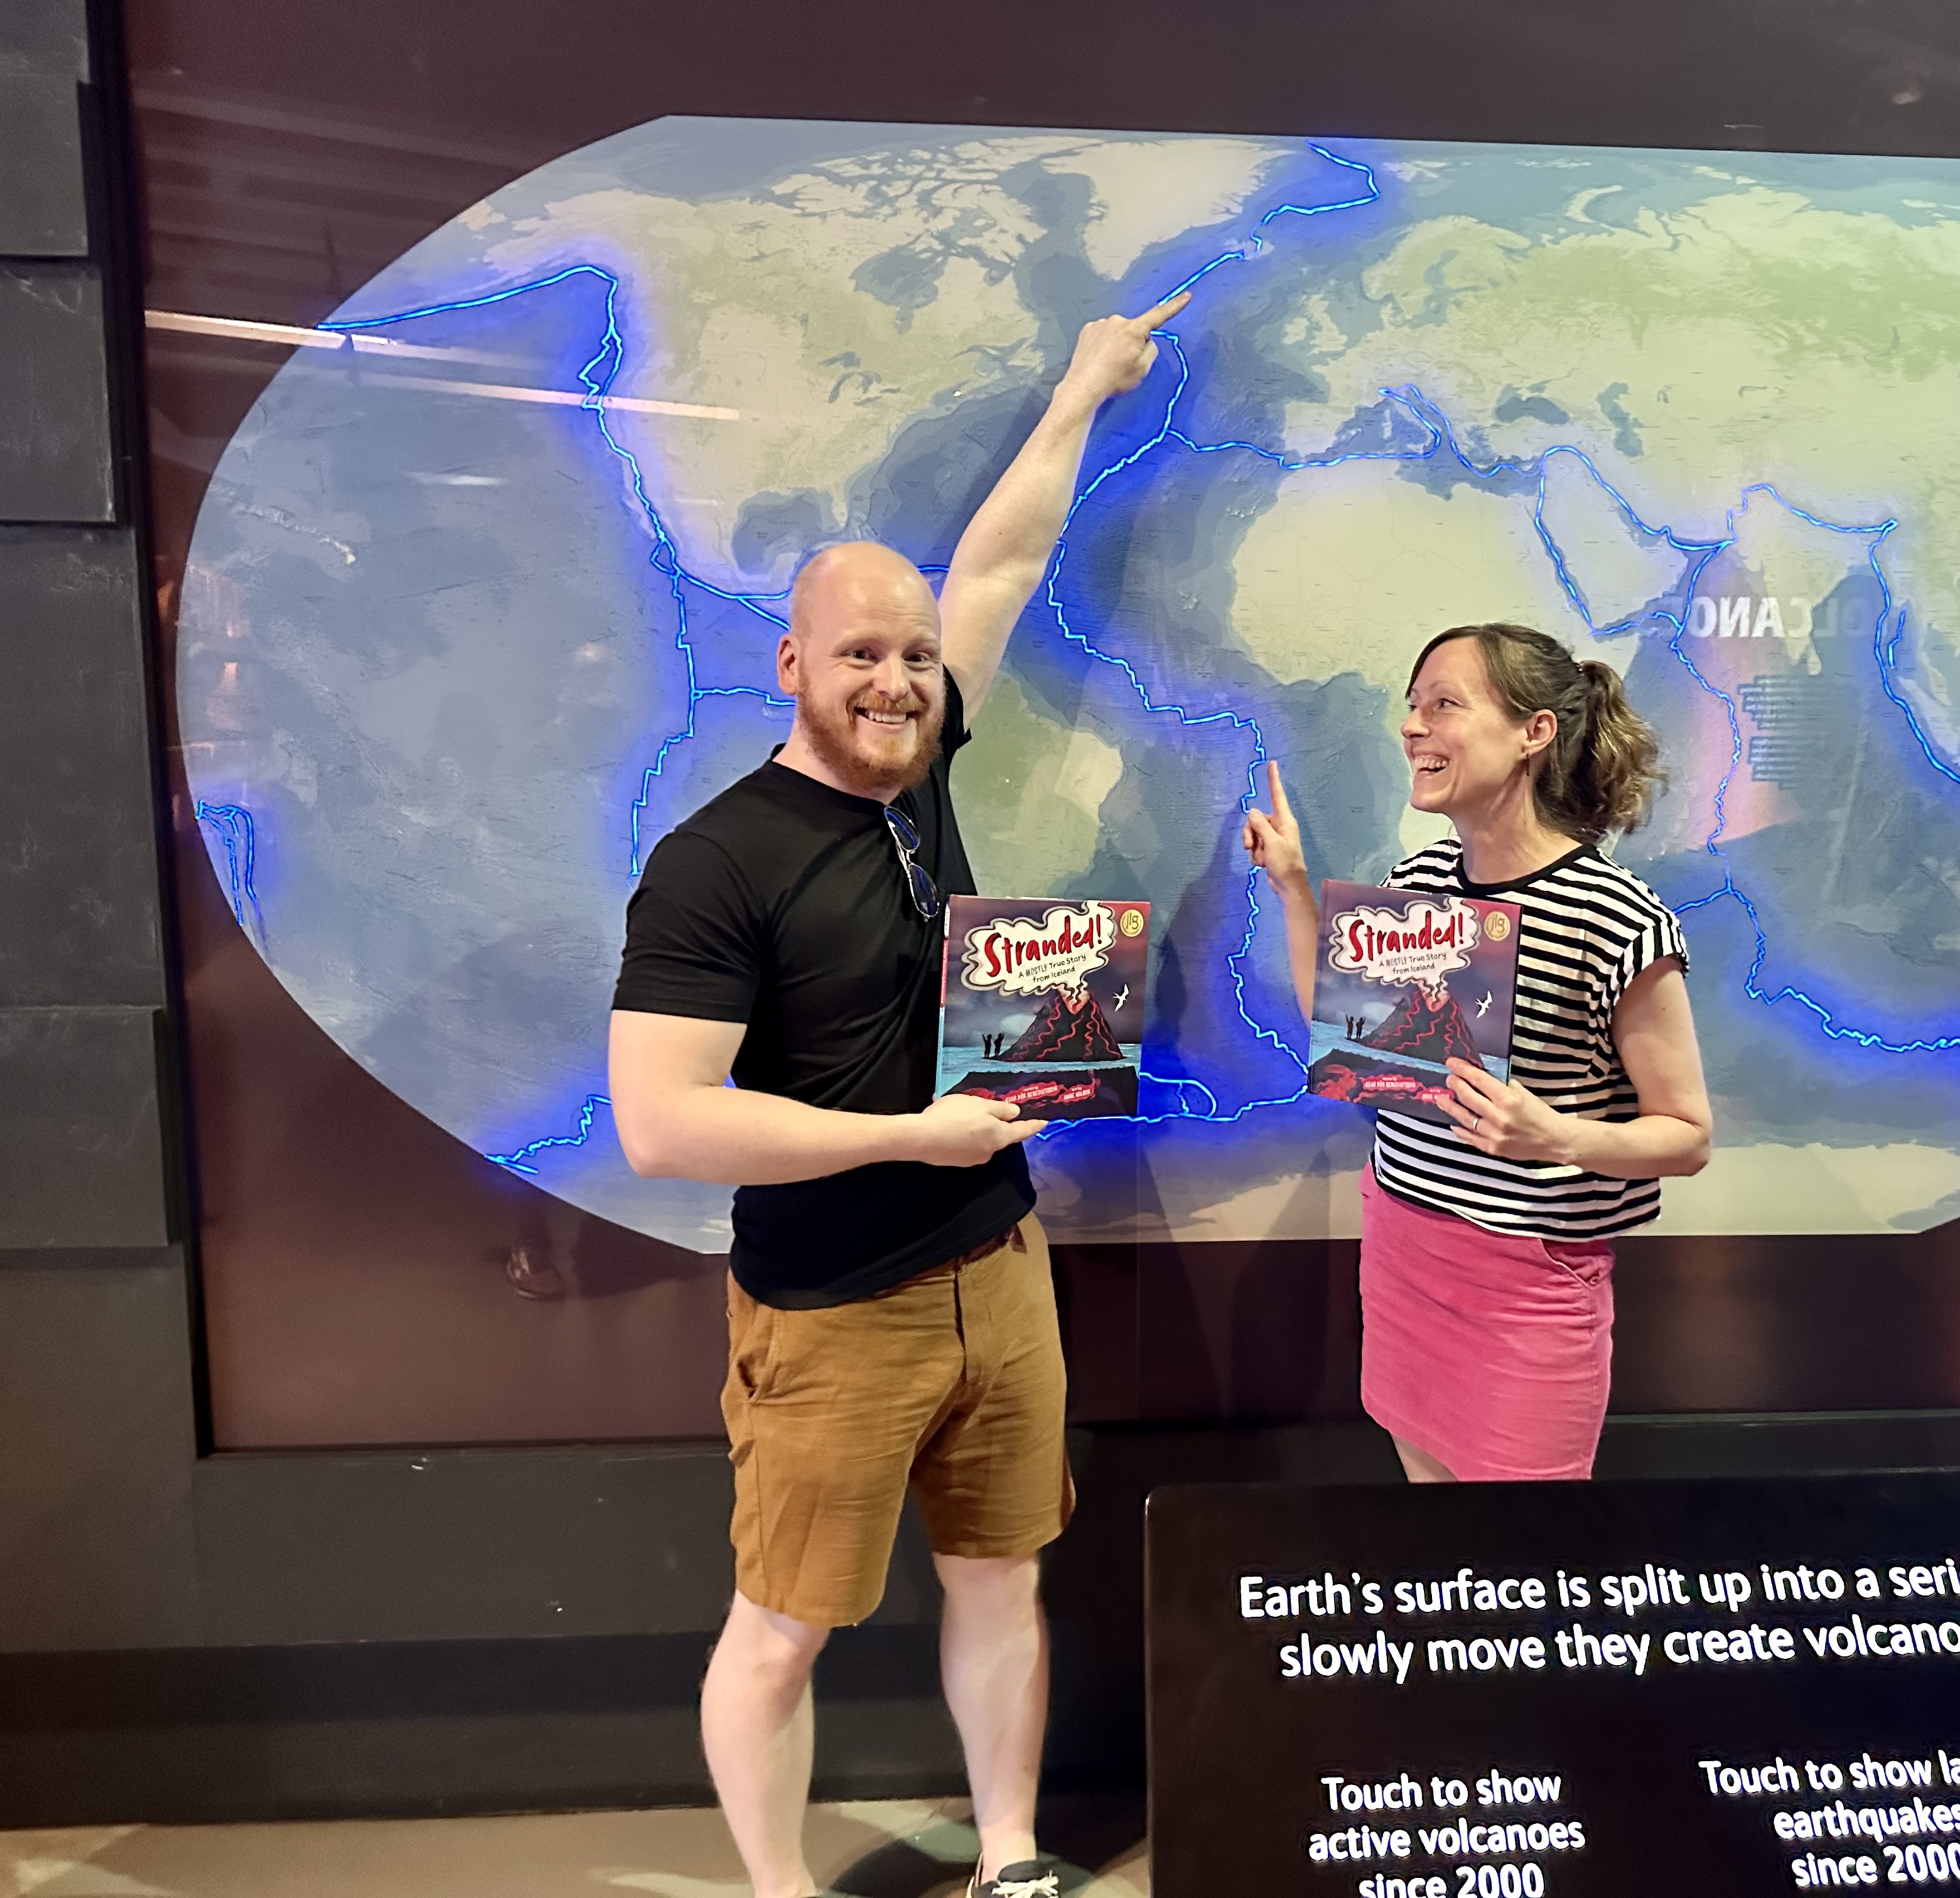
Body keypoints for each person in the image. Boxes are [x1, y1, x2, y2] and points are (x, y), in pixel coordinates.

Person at [608, 289, 1187, 1898]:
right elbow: (663, 1121)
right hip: (831, 1311)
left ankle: (1009, 1861)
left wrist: (1081, 390)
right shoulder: (714, 864)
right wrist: (910, 1135)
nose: (899, 679)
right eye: (862, 654)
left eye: (916, 658)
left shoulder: (920, 779)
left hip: (1001, 1275)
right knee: (781, 1633)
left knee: (1005, 1582)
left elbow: (997, 562)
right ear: (793, 662)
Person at [1243, 621, 1713, 1483]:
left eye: (1444, 704)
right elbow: (1343, 1035)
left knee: (1524, 1564)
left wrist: (1558, 1137)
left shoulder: (1617, 917)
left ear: (1534, 732)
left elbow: (1686, 1135)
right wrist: (1295, 886)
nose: (1412, 726)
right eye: (1412, 707)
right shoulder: (1421, 882)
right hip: (1405, 1251)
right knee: (1433, 1533)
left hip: (1529, 1290)